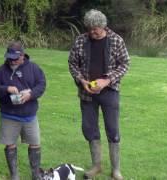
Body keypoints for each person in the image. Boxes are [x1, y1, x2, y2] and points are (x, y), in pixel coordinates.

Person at [68, 9, 130, 180]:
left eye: (95, 28)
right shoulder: (80, 40)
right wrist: (81, 80)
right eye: (89, 28)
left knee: (113, 129)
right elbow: (72, 63)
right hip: (87, 93)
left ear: (103, 26)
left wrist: (107, 80)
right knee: (90, 129)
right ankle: (96, 166)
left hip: (109, 92)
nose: (91, 31)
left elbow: (125, 64)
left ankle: (116, 169)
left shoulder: (116, 40)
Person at [0, 41, 46, 180]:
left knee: (35, 143)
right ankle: (14, 175)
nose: (12, 61)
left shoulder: (33, 68)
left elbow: (42, 84)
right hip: (9, 114)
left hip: (29, 115)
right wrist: (6, 88)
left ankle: (35, 175)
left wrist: (30, 94)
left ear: (22, 56)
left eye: (15, 58)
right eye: (9, 58)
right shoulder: (1, 70)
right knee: (10, 144)